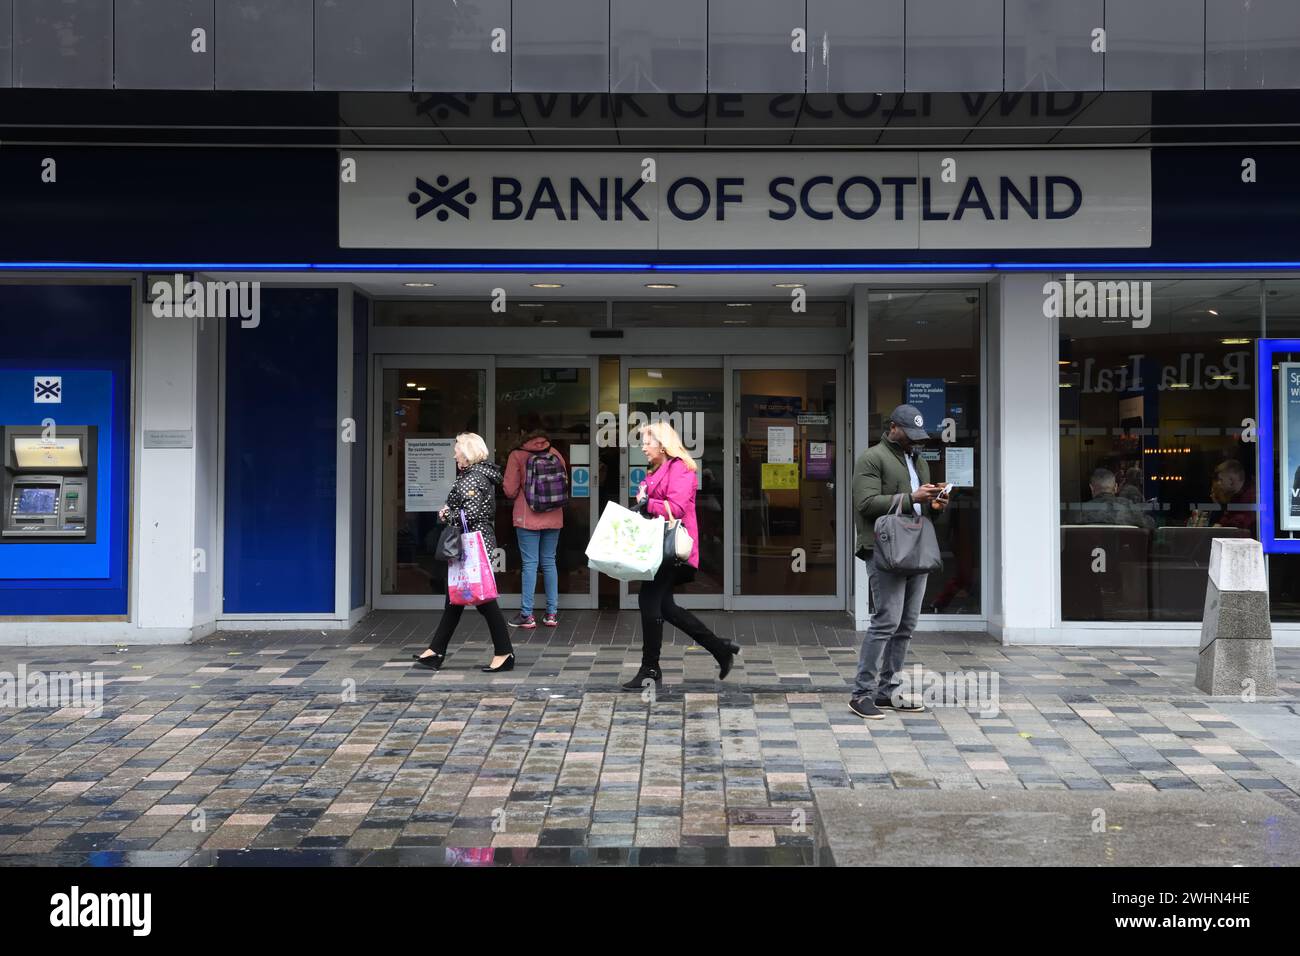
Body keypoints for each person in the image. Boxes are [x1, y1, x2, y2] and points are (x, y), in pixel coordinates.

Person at [623, 420, 740, 690]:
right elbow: (650, 504)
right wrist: (642, 503)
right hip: (659, 548)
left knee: (648, 601)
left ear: (662, 445)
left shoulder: (682, 469)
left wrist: (646, 502)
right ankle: (720, 649)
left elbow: (674, 507)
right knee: (667, 608)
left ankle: (650, 669)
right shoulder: (657, 470)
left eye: (647, 441)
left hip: (674, 550)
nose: (643, 447)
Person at [849, 404, 948, 720]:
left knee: (906, 624)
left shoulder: (919, 460)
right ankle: (861, 694)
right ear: (892, 428)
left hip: (915, 549)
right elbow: (865, 505)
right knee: (886, 621)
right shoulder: (872, 458)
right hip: (884, 551)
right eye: (909, 435)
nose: (915, 442)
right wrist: (912, 498)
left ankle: (887, 691)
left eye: (919, 437)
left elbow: (924, 510)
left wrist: (936, 503)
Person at [412, 433, 515, 673]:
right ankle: (436, 650)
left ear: (467, 452)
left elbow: (471, 514)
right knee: (455, 599)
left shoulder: (471, 478)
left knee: (484, 600)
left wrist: (446, 514)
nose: (454, 453)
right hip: (476, 543)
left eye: (457, 448)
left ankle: (504, 652)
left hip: (470, 546)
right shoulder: (479, 475)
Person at [503, 428, 566, 628]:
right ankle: (551, 614)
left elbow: (510, 490)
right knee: (549, 562)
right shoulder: (554, 453)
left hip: (527, 516)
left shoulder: (517, 455)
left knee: (530, 564)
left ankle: (527, 615)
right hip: (554, 515)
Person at [1068, 467, 1154, 529]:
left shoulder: (1080, 511)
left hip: (1089, 553)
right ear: (1116, 487)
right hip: (1122, 553)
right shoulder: (1128, 507)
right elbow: (1150, 524)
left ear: (1091, 488)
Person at [1210, 459, 1255, 532]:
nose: (1218, 483)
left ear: (1231, 480)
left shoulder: (1252, 496)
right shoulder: (1235, 496)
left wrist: (1222, 526)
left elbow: (1243, 522)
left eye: (1221, 480)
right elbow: (1228, 516)